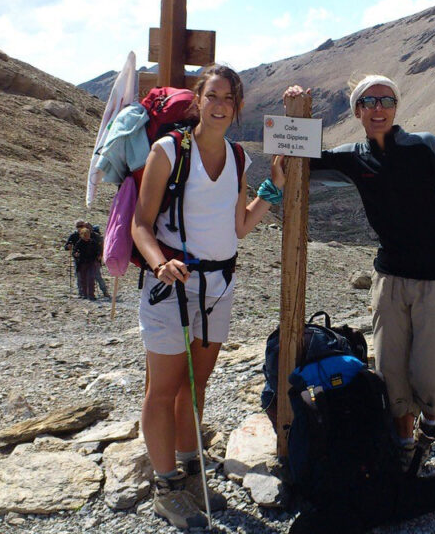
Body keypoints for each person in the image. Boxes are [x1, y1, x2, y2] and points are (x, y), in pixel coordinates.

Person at [283, 75, 435, 472]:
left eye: (386, 100)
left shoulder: (424, 146)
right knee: (390, 370)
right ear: (357, 112)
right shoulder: (354, 156)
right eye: (368, 102)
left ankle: (430, 427)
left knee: (434, 373)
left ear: (396, 107)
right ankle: (404, 446)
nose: (378, 108)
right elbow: (293, 162)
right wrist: (294, 113)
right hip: (389, 279)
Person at [133, 64, 285, 529]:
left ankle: (191, 473)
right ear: (198, 99)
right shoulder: (168, 151)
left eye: (229, 100)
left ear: (237, 108)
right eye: (213, 96)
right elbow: (142, 223)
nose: (220, 106)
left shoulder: (238, 157)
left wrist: (273, 189)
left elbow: (237, 226)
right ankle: (166, 487)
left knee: (193, 391)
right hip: (171, 287)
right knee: (162, 390)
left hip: (219, 287)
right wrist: (160, 263)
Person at [71, 226, 100, 300]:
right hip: (82, 262)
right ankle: (84, 294)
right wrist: (75, 254)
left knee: (91, 278)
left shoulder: (93, 242)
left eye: (88, 234)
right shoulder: (79, 242)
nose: (87, 236)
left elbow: (98, 250)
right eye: (85, 235)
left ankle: (91, 295)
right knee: (83, 279)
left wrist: (98, 255)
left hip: (91, 262)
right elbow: (74, 251)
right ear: (82, 235)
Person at [89, 225, 110, 299]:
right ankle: (103, 292)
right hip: (93, 260)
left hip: (95, 260)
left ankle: (102, 292)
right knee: (97, 276)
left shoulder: (96, 237)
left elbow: (101, 248)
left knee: (97, 276)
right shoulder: (98, 237)